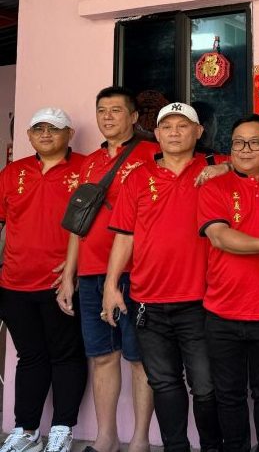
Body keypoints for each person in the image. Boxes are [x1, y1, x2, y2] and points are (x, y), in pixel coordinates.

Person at [103, 102, 223, 452]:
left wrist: (227, 166)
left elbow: (254, 165)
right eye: (166, 126)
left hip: (202, 301)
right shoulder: (138, 177)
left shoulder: (214, 168)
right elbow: (124, 236)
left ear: (198, 132)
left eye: (182, 126)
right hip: (148, 301)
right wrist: (111, 285)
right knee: (165, 383)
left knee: (205, 385)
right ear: (156, 134)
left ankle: (212, 447)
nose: (174, 132)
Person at [57, 87, 156, 452]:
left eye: (116, 110)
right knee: (101, 356)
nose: (108, 117)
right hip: (90, 273)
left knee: (139, 359)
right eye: (102, 110)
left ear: (134, 117)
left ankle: (140, 440)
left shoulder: (152, 153)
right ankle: (106, 438)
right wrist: (68, 275)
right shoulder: (90, 163)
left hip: (135, 272)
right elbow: (77, 223)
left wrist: (217, 165)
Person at [199, 114, 259, 451]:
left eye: (255, 142)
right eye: (238, 142)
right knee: (229, 394)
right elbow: (219, 236)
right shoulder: (214, 187)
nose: (246, 149)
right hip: (222, 312)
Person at [0, 108, 86, 452]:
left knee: (67, 355)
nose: (46, 134)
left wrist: (75, 269)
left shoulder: (85, 168)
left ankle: (62, 429)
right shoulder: (13, 172)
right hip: (14, 282)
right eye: (39, 129)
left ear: (69, 134)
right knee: (30, 356)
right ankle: (27, 430)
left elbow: (96, 225)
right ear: (29, 136)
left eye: (54, 128)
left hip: (61, 283)